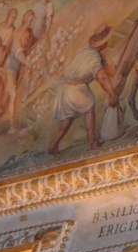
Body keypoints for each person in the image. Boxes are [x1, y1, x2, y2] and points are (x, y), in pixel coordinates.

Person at [47, 24, 120, 156]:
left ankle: (53, 145)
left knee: (68, 119)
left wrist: (118, 69)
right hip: (76, 88)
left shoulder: (88, 50)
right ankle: (91, 143)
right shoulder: (94, 57)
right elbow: (102, 77)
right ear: (103, 42)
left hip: (66, 88)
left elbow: (107, 70)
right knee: (89, 108)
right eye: (107, 40)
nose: (108, 42)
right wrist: (112, 93)